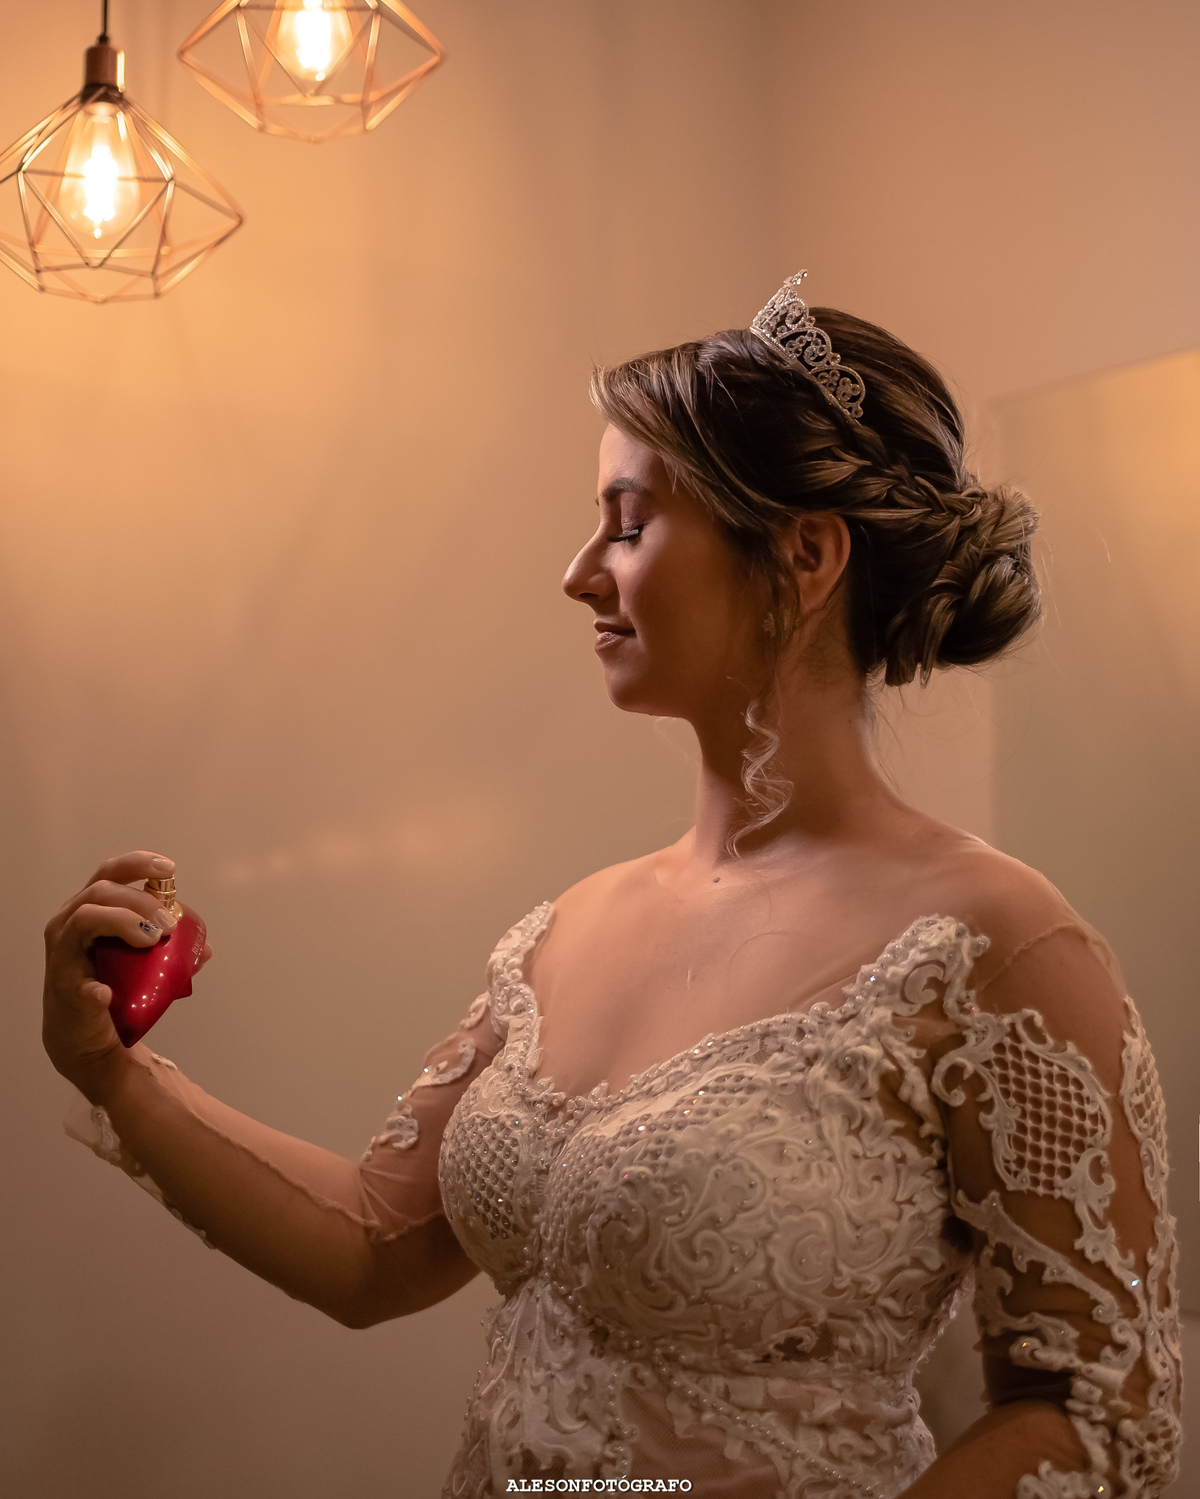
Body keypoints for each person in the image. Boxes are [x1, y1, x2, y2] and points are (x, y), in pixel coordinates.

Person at [42, 274, 1181, 1498]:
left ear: (803, 555)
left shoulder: (993, 946)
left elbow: (1096, 1414)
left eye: (628, 524)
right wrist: (112, 1069)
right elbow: (374, 1247)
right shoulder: (565, 930)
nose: (580, 573)